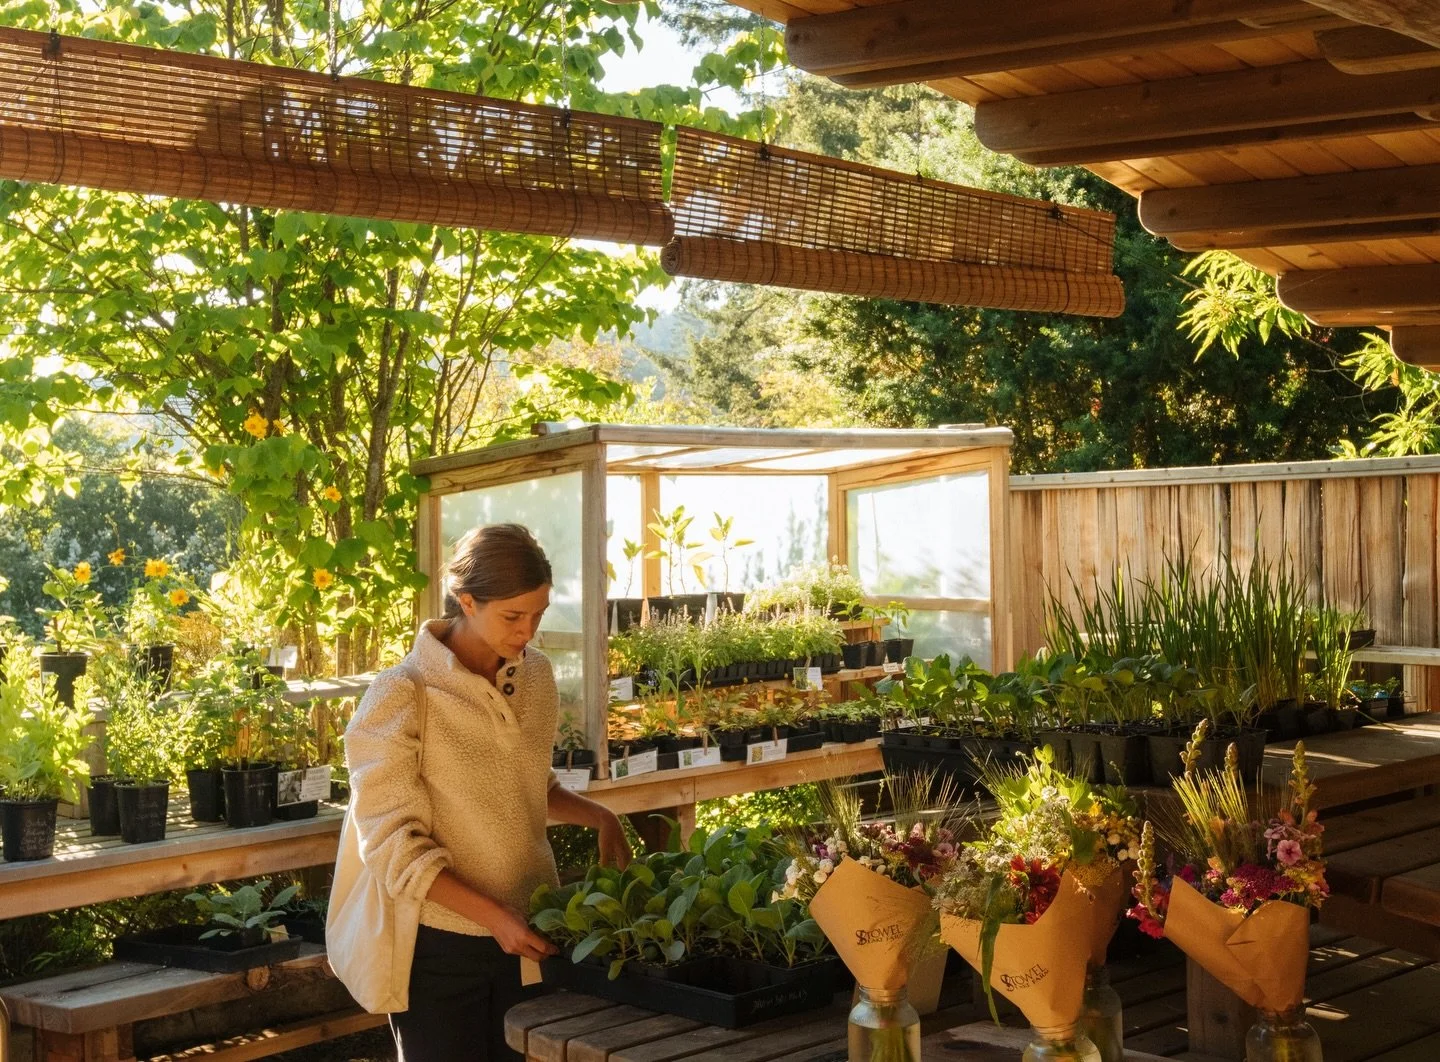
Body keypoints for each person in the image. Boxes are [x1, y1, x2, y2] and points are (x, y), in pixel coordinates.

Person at [344, 523, 632, 1062]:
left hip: (531, 933)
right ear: (467, 601)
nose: (528, 632)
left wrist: (600, 817)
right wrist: (493, 917)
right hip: (438, 948)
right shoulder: (401, 694)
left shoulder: (536, 677)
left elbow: (528, 785)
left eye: (538, 615)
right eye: (512, 616)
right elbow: (392, 847)